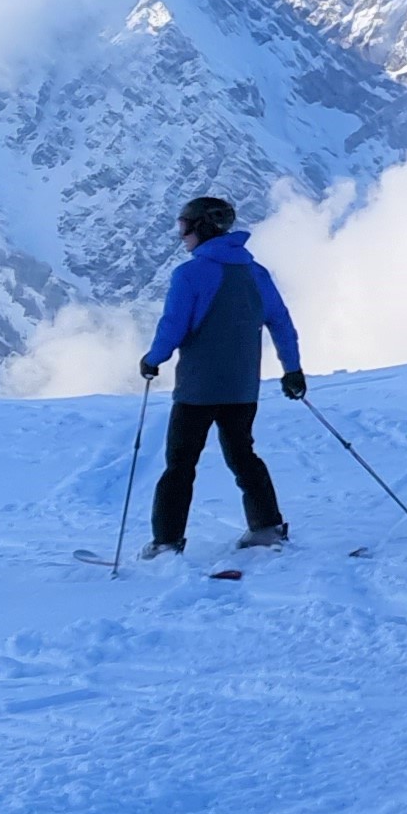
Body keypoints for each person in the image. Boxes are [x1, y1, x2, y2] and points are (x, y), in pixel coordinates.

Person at [138, 196, 308, 556]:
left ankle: (167, 541)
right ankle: (267, 527)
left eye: (184, 225)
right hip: (242, 389)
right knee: (244, 455)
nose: (181, 234)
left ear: (201, 227)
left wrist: (153, 360)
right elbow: (281, 323)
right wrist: (292, 370)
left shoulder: (190, 274)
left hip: (197, 390)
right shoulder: (256, 273)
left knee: (180, 465)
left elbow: (173, 327)